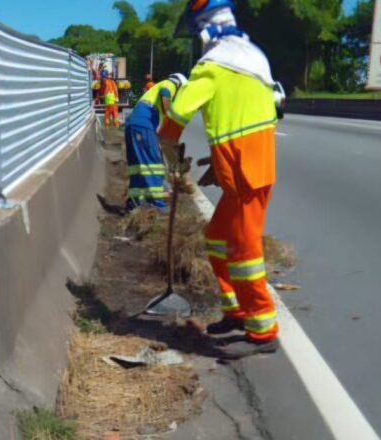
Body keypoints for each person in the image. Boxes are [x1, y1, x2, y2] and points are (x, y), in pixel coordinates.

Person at [159, 0, 281, 357]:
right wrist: (219, 159)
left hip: (245, 173)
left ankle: (263, 331)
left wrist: (170, 151)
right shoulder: (254, 60)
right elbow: (256, 114)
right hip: (247, 169)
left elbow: (176, 117)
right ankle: (236, 310)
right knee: (217, 237)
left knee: (244, 251)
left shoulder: (212, 68)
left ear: (204, 31)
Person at [125, 73, 188, 211]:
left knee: (137, 167)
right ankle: (156, 204)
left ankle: (133, 203)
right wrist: (172, 118)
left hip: (132, 126)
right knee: (155, 164)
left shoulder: (152, 92)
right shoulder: (170, 84)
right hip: (143, 125)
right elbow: (166, 94)